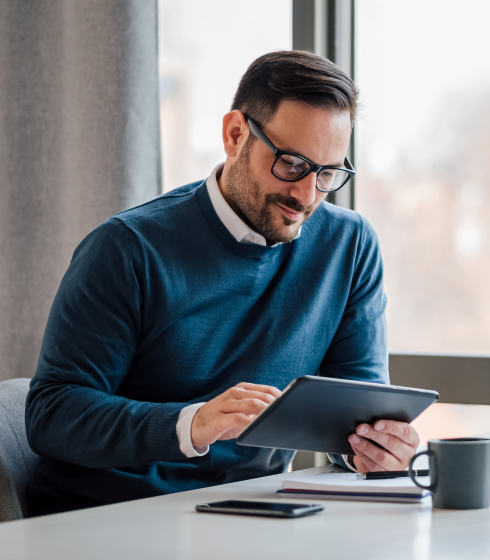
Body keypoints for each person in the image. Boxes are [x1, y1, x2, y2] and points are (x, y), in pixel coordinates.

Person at [25, 50, 420, 516]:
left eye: (327, 173)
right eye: (292, 164)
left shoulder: (349, 247)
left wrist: (375, 447)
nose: (306, 194)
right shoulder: (127, 248)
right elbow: (52, 414)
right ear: (235, 135)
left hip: (255, 514)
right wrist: (192, 423)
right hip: (112, 516)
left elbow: (355, 413)